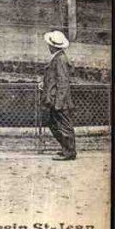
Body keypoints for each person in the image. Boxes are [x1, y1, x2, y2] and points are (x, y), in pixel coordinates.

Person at [41, 30, 77, 161]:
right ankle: (66, 148)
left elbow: (63, 82)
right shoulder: (57, 57)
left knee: (64, 126)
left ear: (54, 46)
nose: (48, 46)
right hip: (54, 99)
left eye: (49, 45)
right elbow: (54, 79)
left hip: (59, 100)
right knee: (53, 123)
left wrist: (59, 103)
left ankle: (69, 152)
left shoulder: (60, 59)